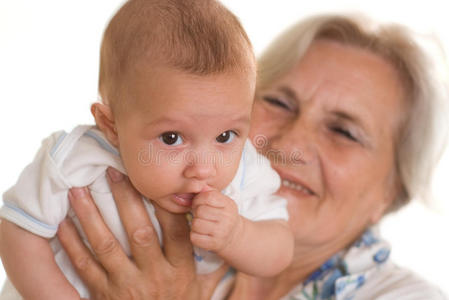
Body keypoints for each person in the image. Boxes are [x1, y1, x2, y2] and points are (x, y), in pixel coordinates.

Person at [29, 13, 449, 300]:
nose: (290, 145)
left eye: (343, 131)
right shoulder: (146, 203)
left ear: (392, 191)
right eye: (280, 102)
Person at [0, 0, 295, 299]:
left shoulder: (245, 172)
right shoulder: (77, 159)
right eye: (171, 138)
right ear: (111, 126)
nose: (204, 168)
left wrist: (238, 235)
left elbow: (280, 248)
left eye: (225, 136)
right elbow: (17, 231)